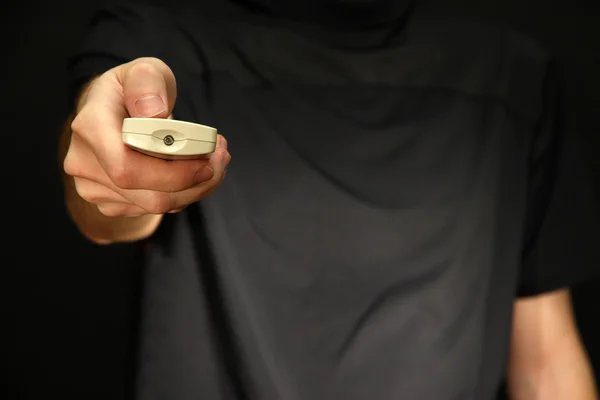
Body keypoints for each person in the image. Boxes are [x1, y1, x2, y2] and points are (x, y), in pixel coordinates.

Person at [59, 0, 600, 399]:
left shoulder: (512, 74)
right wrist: (111, 171)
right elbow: (106, 209)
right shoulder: (158, 34)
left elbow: (545, 359)